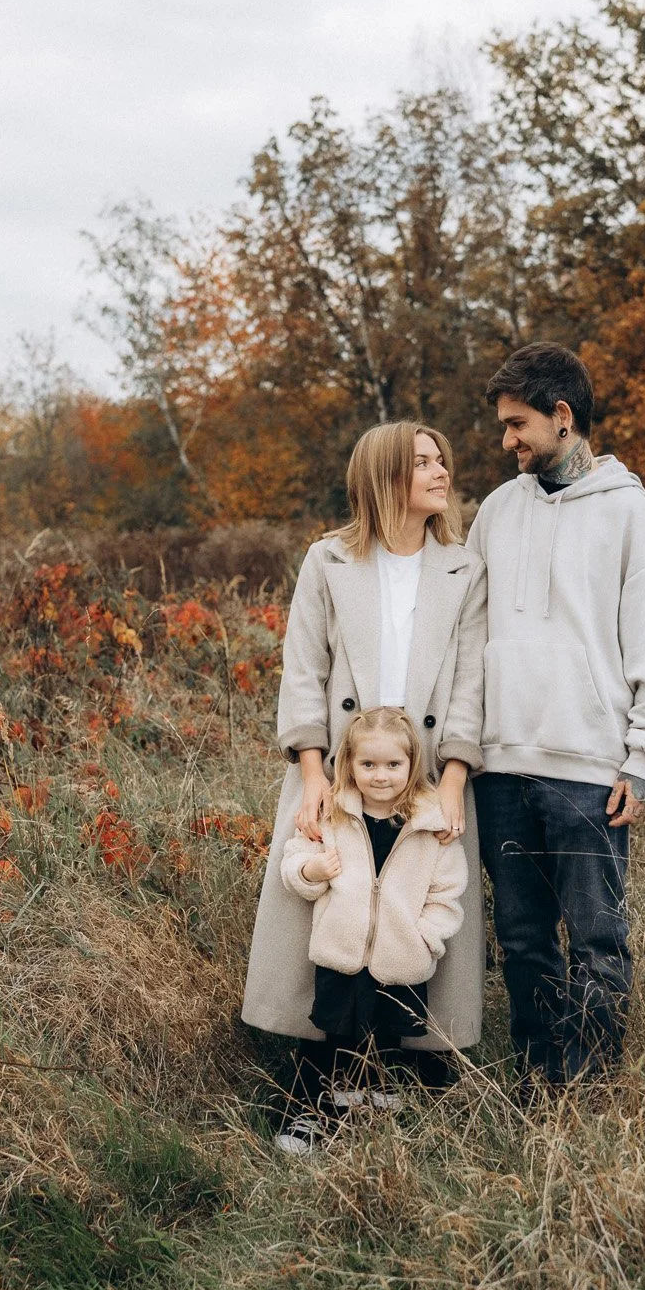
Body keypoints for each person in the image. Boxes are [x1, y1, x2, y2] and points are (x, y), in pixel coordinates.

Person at [240, 420, 488, 1145]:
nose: (442, 471)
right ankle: (313, 1090)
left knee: (413, 917)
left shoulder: (463, 567)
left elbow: (472, 680)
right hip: (340, 777)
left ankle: (391, 1078)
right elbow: (303, 670)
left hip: (427, 780)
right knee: (336, 916)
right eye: (423, 461)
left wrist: (453, 778)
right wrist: (312, 771)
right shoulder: (328, 560)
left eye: (443, 459)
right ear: (385, 477)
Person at [468, 342, 645, 1088]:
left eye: (517, 423)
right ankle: (539, 1082)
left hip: (588, 769)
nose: (506, 440)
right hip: (501, 766)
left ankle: (590, 1086)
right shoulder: (497, 512)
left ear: (561, 416)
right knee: (523, 938)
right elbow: (469, 632)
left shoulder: (632, 516)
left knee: (597, 937)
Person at [271, 708, 467, 1154]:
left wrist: (426, 938)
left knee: (389, 1043)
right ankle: (318, 1115)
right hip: (342, 952)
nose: (380, 776)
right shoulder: (332, 812)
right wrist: (312, 869)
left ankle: (378, 1125)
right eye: (368, 765)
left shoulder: (431, 821)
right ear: (350, 765)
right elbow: (293, 862)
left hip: (402, 957)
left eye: (393, 765)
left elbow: (447, 891)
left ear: (412, 764)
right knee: (334, 1037)